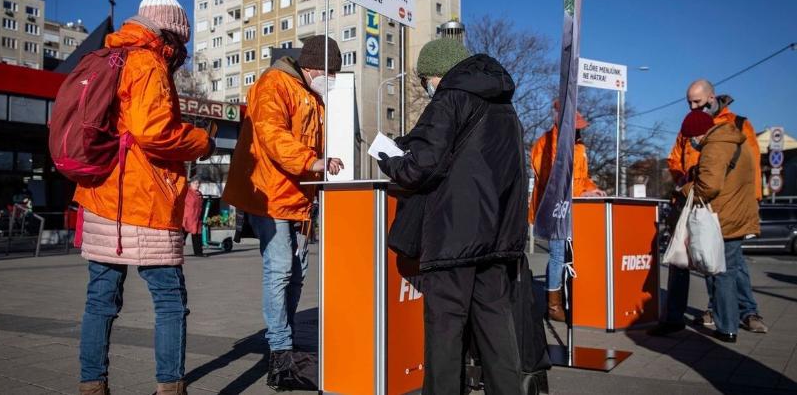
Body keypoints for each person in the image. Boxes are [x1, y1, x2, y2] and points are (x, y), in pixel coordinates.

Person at [74, 0, 213, 395]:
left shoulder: (112, 57)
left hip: (101, 194)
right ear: (169, 34)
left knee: (100, 300)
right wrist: (199, 141)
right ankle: (170, 387)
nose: (181, 51)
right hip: (144, 199)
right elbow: (153, 132)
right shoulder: (148, 63)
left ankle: (91, 386)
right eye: (181, 42)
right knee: (170, 301)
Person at [377, 38, 530, 394]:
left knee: (445, 330)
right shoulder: (506, 106)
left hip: (454, 237)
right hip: (498, 238)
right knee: (496, 327)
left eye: (425, 79)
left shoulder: (450, 98)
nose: (427, 87)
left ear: (436, 74)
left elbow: (422, 168)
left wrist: (391, 160)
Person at [222, 35, 344, 387]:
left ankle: (285, 342)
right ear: (310, 66)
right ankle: (280, 353)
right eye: (328, 71)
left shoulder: (315, 96)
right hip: (269, 194)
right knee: (280, 269)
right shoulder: (273, 84)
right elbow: (272, 135)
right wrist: (313, 161)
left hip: (300, 197)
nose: (332, 78)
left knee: (297, 273)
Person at [651, 79, 767, 336]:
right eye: (689, 102)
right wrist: (682, 179)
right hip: (695, 202)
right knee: (687, 259)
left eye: (698, 102)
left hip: (717, 205)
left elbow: (750, 169)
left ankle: (742, 313)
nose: (693, 107)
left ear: (712, 98)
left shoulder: (736, 125)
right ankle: (686, 317)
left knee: (725, 264)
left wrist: (752, 201)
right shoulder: (691, 125)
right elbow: (675, 159)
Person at [674, 111, 759, 342]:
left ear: (698, 133)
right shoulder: (735, 140)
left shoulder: (715, 146)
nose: (691, 142)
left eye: (691, 137)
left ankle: (727, 327)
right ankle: (731, 325)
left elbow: (708, 186)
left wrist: (683, 190)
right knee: (729, 272)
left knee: (721, 274)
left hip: (723, 218)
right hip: (738, 214)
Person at [529, 101, 605, 322]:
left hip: (575, 209)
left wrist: (592, 189)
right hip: (554, 209)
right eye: (576, 126)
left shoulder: (579, 148)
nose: (580, 130)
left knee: (569, 257)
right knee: (558, 256)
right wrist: (580, 193)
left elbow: (582, 179)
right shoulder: (546, 144)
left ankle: (568, 300)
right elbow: (551, 180)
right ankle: (554, 306)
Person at [182, 177, 205, 257]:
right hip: (188, 218)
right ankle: (176, 251)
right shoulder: (187, 192)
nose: (197, 185)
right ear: (190, 184)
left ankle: (199, 252)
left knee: (197, 235)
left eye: (198, 183)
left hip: (196, 218)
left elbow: (201, 206)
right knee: (182, 236)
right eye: (195, 183)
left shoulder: (199, 194)